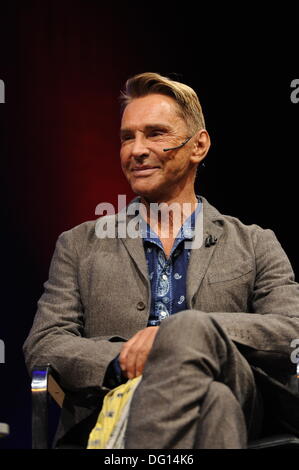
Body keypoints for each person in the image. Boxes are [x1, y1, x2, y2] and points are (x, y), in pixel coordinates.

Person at [23, 72, 299, 449]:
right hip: (116, 408)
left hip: (242, 396)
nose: (135, 149)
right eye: (126, 137)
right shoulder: (79, 244)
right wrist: (122, 358)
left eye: (154, 134)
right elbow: (45, 343)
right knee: (214, 405)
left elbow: (292, 329)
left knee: (188, 332)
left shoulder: (254, 242)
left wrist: (189, 335)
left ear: (198, 146)